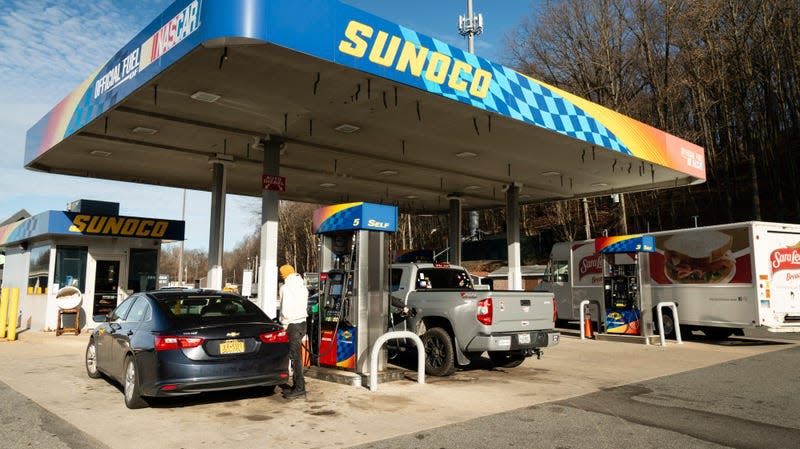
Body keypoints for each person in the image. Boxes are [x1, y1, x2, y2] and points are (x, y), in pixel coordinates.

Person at [279, 264, 309, 400]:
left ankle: (299, 388)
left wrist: (284, 324)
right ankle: (297, 385)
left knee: (295, 357)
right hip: (303, 323)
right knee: (298, 357)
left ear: (284, 275)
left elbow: (285, 309)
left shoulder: (285, 288)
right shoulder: (302, 286)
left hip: (292, 325)